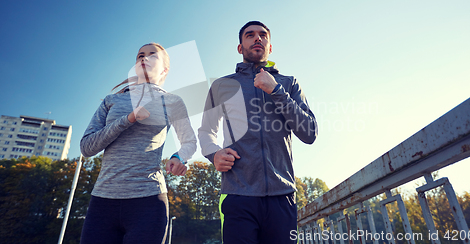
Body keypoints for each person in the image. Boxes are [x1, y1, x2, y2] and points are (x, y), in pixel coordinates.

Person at [198, 21, 317, 243]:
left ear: (270, 47)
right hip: (237, 195)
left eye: (263, 35)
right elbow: (206, 131)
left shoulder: (289, 84)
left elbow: (309, 132)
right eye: (250, 35)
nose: (257, 38)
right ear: (240, 47)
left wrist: (276, 90)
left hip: (282, 197)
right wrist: (214, 154)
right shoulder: (222, 86)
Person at [80, 43, 197, 244]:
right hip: (103, 201)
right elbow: (87, 147)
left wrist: (179, 157)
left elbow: (190, 141)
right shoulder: (112, 100)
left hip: (148, 201)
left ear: (164, 69)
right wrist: (128, 119)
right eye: (140, 55)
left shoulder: (172, 101)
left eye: (153, 55)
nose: (145, 58)